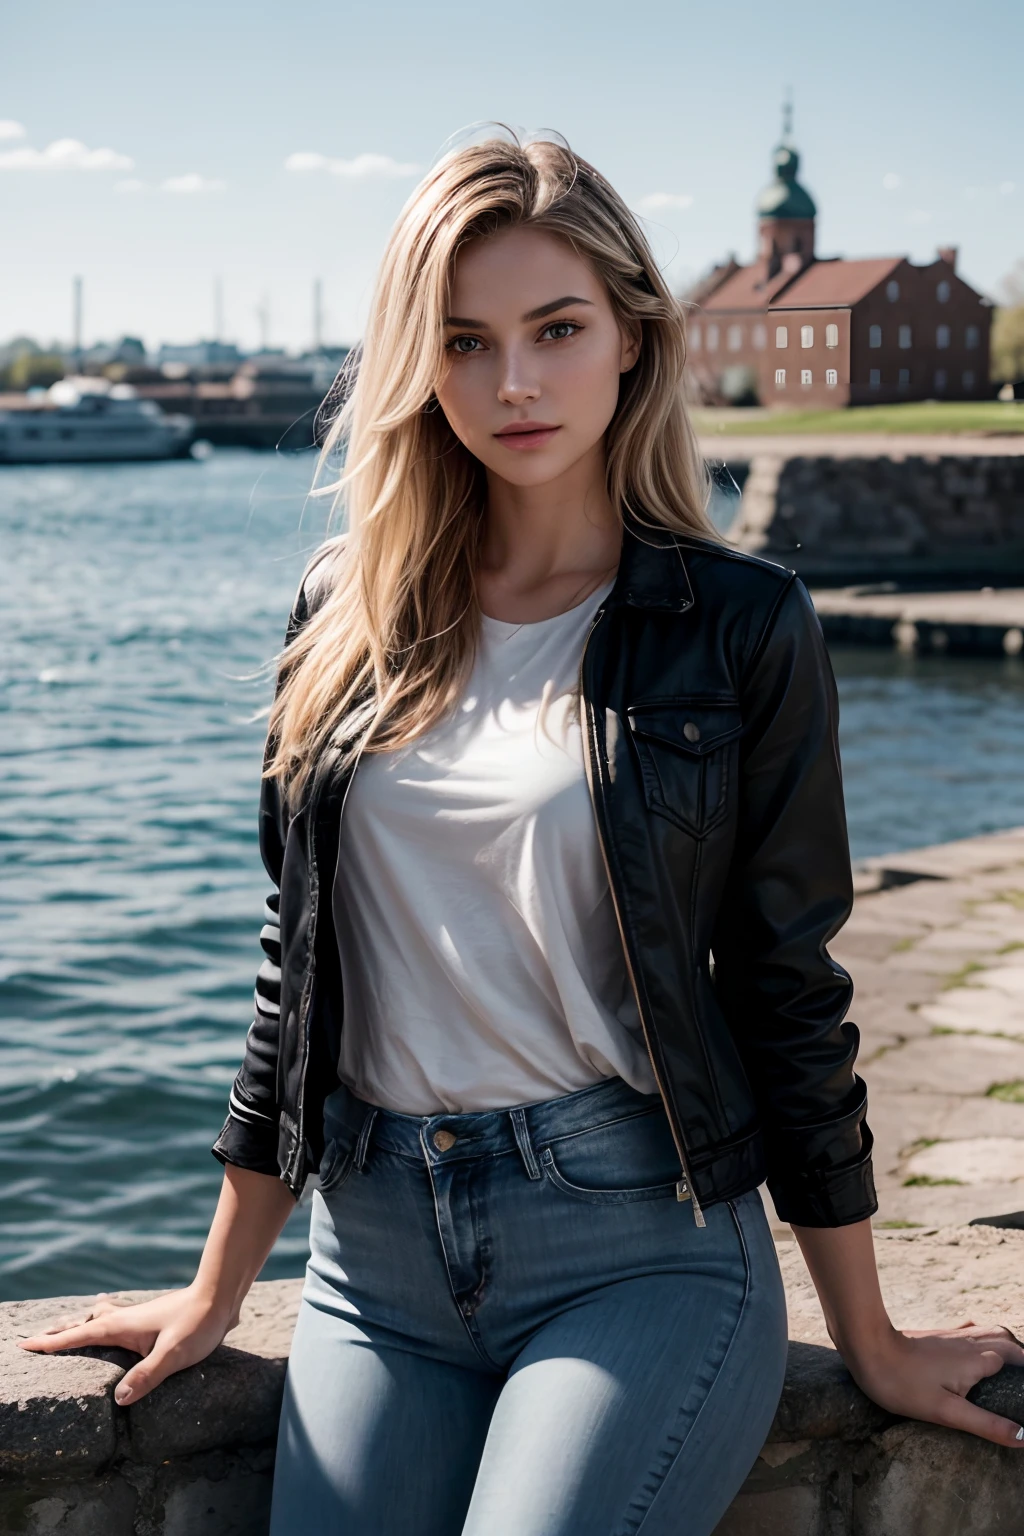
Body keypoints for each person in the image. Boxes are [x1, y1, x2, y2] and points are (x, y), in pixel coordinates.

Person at [21, 132, 1024, 1535]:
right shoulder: (340, 618)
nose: (515, 383)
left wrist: (871, 1335)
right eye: (464, 341)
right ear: (418, 367)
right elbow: (293, 978)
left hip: (642, 1253)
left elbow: (792, 995)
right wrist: (220, 1287)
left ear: (632, 335)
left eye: (556, 328)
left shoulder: (742, 630)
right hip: (373, 1261)